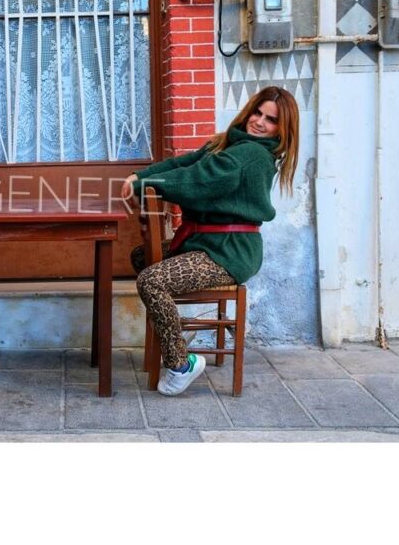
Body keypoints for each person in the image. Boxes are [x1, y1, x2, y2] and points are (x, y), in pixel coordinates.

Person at [121, 86, 299, 396]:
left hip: (228, 252)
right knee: (141, 257)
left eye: (271, 120)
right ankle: (173, 335)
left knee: (151, 280)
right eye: (257, 113)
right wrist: (139, 176)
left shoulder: (251, 155)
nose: (259, 122)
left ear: (282, 130)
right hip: (204, 241)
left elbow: (197, 180)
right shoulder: (227, 142)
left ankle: (180, 365)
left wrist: (143, 182)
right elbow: (184, 164)